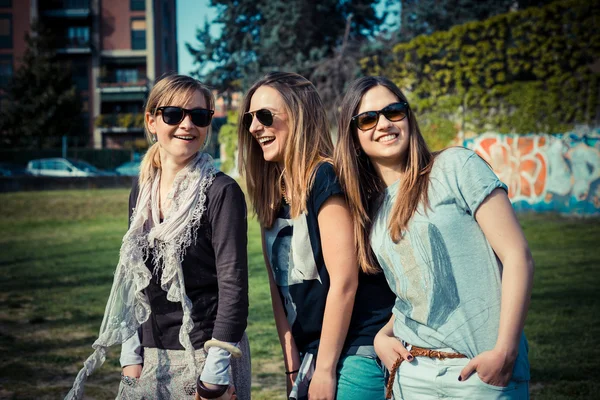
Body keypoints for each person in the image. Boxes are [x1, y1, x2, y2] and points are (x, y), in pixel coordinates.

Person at [333, 76, 533, 400]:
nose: (383, 123)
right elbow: (416, 292)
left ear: (408, 117)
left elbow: (517, 256)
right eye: (368, 119)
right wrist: (383, 336)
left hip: (480, 373)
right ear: (354, 137)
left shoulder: (455, 166)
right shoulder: (372, 209)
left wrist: (506, 352)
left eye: (393, 112)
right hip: (414, 376)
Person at [65, 74, 250, 400]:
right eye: (173, 114)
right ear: (151, 120)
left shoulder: (222, 191)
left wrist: (215, 375)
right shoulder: (142, 189)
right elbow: (135, 280)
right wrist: (130, 357)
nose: (187, 125)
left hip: (207, 356)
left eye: (199, 116)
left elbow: (233, 288)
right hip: (151, 358)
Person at [237, 71, 395, 400]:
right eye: (250, 119)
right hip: (313, 354)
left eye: (265, 116)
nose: (254, 127)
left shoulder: (325, 178)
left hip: (357, 347)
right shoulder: (271, 195)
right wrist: (293, 367)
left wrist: (323, 370)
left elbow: (345, 282)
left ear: (298, 117)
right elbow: (280, 293)